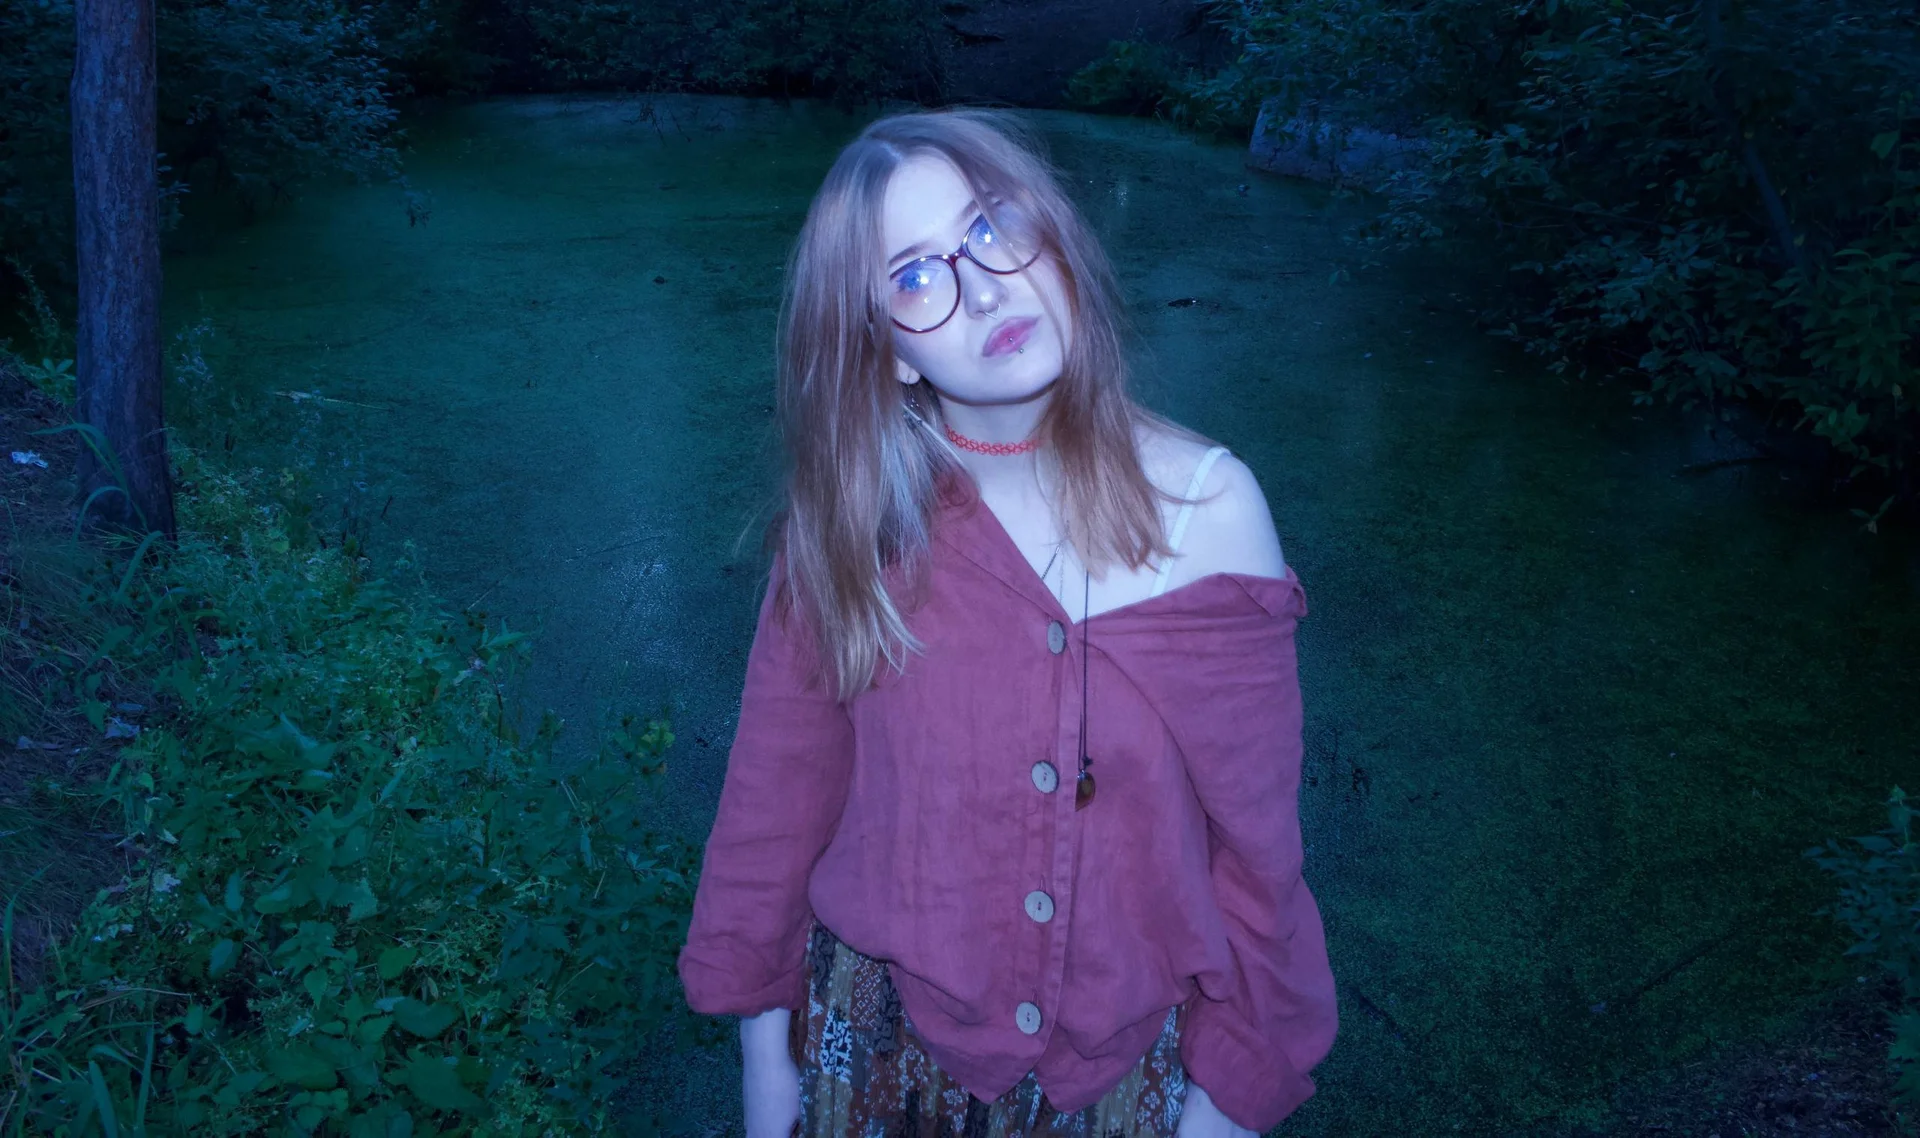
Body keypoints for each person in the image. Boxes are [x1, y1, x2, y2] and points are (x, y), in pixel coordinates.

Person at [677, 107, 1338, 1137]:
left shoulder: (1210, 511)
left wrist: (1227, 1107)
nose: (983, 288)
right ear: (889, 351)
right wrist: (769, 1077)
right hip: (875, 1052)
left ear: (1051, 232)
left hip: (1117, 1080)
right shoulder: (851, 529)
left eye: (990, 227)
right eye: (914, 278)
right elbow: (773, 812)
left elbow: (1259, 864)